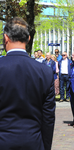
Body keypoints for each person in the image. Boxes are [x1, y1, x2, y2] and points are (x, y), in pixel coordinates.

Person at [0, 17, 55, 150]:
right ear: (28, 38)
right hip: (33, 141)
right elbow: (48, 118)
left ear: (6, 38)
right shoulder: (45, 72)